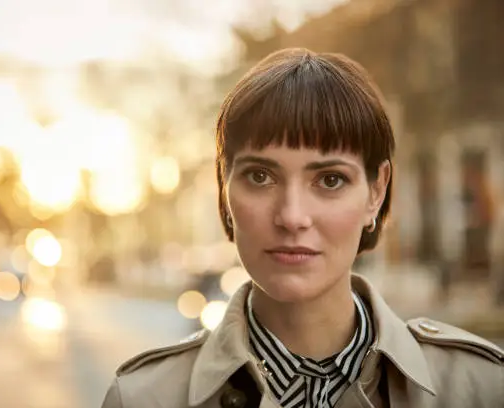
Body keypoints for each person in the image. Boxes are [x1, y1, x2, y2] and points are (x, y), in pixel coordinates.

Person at [101, 48, 504, 408]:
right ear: (224, 189)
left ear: (375, 193)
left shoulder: (480, 388)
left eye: (329, 180)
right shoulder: (142, 398)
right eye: (260, 176)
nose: (292, 217)